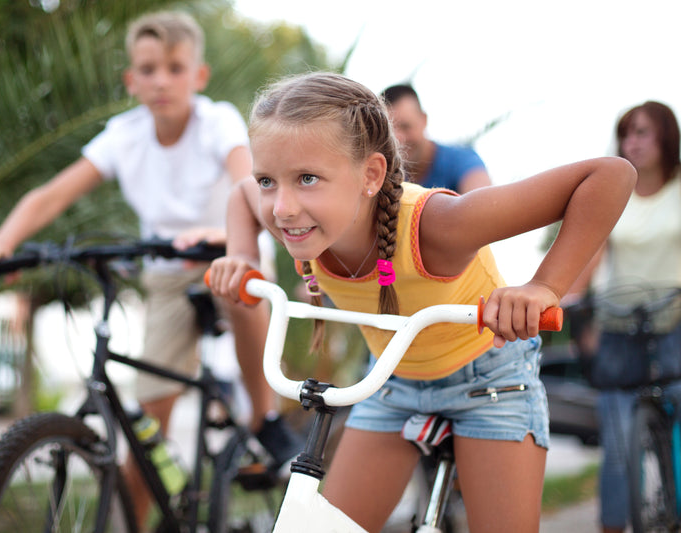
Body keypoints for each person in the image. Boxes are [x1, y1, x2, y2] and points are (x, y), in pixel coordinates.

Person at [206, 71, 636, 533]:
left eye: (308, 178)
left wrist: (544, 286)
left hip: (488, 380)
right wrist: (242, 256)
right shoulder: (291, 214)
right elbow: (242, 196)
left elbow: (610, 175)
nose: (282, 207)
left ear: (371, 175)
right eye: (269, 179)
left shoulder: (439, 225)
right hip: (394, 381)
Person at [0, 10, 300, 528]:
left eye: (174, 67)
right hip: (165, 270)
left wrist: (222, 237)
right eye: (148, 69)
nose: (161, 80)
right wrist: (2, 243)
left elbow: (251, 187)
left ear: (199, 76)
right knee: (148, 432)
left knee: (242, 292)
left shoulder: (216, 123)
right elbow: (52, 194)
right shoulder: (123, 135)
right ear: (131, 80)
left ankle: (265, 417)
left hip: (227, 252)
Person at [567, 101, 681, 533]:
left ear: (666, 137)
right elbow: (591, 252)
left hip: (674, 323)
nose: (631, 142)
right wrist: (564, 301)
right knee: (617, 446)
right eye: (626, 133)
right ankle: (613, 526)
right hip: (618, 324)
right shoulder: (614, 190)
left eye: (642, 132)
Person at [380, 83, 492, 193]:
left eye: (405, 127)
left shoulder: (461, 160)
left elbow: (486, 201)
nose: (398, 139)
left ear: (423, 120)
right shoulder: (385, 177)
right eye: (390, 132)